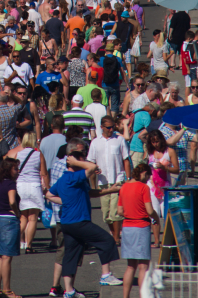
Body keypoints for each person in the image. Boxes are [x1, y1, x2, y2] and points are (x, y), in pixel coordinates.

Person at [45, 139, 123, 297]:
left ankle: (69, 291)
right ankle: (106, 275)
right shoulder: (75, 177)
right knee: (106, 240)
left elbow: (49, 194)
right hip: (78, 221)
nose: (85, 160)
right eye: (82, 158)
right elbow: (93, 167)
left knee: (71, 255)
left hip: (68, 222)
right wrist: (76, 161)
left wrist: (111, 190)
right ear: (74, 161)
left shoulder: (65, 180)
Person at [117, 163, 158, 298]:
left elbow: (120, 211)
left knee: (130, 267)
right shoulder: (143, 187)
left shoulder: (124, 187)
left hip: (127, 227)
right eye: (148, 175)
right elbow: (150, 210)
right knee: (143, 267)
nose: (148, 178)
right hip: (141, 227)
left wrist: (131, 212)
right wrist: (156, 218)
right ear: (143, 173)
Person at [88, 116, 130, 245]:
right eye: (108, 127)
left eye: (112, 127)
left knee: (115, 212)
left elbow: (126, 160)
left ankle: (116, 238)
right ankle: (114, 234)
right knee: (106, 215)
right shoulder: (95, 142)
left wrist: (128, 179)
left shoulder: (120, 140)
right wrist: (94, 173)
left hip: (118, 180)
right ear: (101, 127)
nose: (111, 129)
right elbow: (90, 162)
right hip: (103, 182)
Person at [5, 132, 48, 253]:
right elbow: (43, 173)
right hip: (34, 185)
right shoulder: (38, 154)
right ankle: (29, 245)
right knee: (33, 218)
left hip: (21, 186)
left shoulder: (18, 154)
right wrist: (47, 187)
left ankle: (16, 242)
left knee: (23, 217)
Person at [0, 159, 22, 298]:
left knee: (1, 256)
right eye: (15, 169)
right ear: (9, 170)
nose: (18, 171)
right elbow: (12, 201)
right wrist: (17, 213)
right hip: (8, 220)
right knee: (7, 257)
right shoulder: (10, 183)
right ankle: (7, 290)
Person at [146, 130, 178, 248]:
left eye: (157, 141)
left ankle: (168, 239)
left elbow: (177, 169)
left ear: (161, 140)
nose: (155, 144)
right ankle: (156, 241)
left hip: (165, 187)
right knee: (154, 214)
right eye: (153, 142)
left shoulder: (169, 151)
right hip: (152, 187)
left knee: (166, 215)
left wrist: (164, 167)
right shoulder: (149, 153)